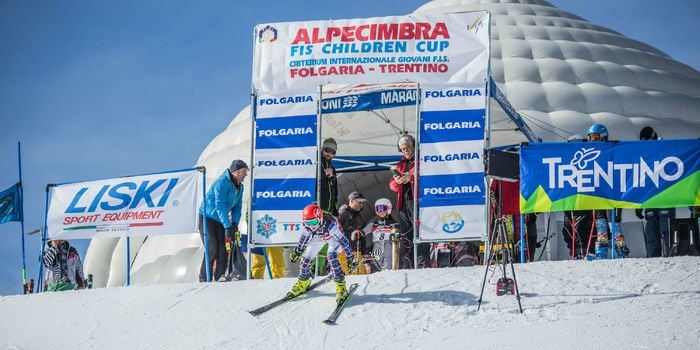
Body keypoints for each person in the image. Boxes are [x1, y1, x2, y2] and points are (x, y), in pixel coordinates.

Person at [287, 203, 356, 304]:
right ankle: (304, 281)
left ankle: (341, 287)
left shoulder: (331, 225)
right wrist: (298, 251)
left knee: (331, 256)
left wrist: (350, 257)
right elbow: (304, 238)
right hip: (318, 237)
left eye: (314, 222)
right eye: (307, 223)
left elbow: (343, 241)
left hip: (332, 237)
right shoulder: (309, 227)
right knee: (305, 259)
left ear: (319, 218)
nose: (311, 226)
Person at [198, 159, 248, 282]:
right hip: (207, 218)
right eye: (244, 172)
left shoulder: (240, 187)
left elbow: (237, 207)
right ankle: (204, 277)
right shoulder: (222, 183)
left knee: (224, 248)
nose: (246, 175)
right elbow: (220, 205)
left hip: (221, 220)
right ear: (236, 172)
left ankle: (220, 275)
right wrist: (227, 226)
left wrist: (235, 223)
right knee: (212, 247)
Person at [586, 123, 628, 258]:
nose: (593, 141)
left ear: (603, 137)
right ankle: (601, 252)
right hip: (598, 194)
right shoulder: (590, 154)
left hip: (613, 194)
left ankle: (621, 250)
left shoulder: (612, 150)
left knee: (613, 224)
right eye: (590, 138)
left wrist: (616, 147)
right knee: (601, 225)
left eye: (595, 137)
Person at [635, 126, 675, 257]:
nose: (645, 145)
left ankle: (669, 259)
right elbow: (640, 179)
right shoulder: (643, 155)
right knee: (651, 234)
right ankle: (653, 261)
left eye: (647, 142)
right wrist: (638, 204)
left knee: (666, 233)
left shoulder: (666, 150)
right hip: (650, 201)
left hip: (665, 200)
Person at [390, 134, 428, 268]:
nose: (405, 151)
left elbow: (425, 175)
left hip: (417, 202)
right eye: (402, 149)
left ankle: (423, 263)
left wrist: (410, 177)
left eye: (407, 148)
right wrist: (397, 181)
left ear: (413, 146)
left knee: (420, 232)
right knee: (407, 234)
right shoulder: (400, 164)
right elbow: (392, 186)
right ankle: (409, 263)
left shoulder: (421, 160)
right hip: (403, 204)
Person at [310, 138, 340, 277]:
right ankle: (311, 269)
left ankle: (319, 268)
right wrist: (324, 175)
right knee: (314, 239)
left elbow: (334, 189)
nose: (329, 154)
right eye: (327, 150)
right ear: (322, 149)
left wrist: (334, 209)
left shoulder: (332, 167)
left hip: (328, 210)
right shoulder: (316, 163)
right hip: (317, 210)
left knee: (326, 240)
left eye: (333, 152)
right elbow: (314, 183)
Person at [338, 191, 370, 274]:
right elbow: (335, 234)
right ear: (351, 201)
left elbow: (362, 239)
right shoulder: (343, 214)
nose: (361, 204)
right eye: (359, 202)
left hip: (358, 254)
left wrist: (365, 260)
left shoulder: (359, 217)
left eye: (362, 203)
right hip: (344, 254)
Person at [363, 198, 399, 271]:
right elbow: (365, 233)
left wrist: (396, 235)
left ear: (388, 209)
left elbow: (399, 234)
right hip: (377, 245)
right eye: (378, 209)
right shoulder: (373, 222)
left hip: (389, 245)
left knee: (388, 264)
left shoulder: (393, 223)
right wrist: (359, 232)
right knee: (376, 264)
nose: (381, 211)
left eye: (383, 208)